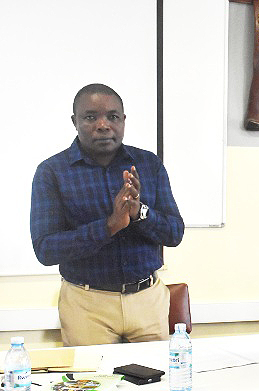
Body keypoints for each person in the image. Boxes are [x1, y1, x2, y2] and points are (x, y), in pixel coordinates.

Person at [30, 83, 184, 346]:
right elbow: (46, 250)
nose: (103, 125)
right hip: (87, 304)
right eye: (90, 117)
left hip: (147, 298)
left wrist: (139, 213)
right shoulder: (52, 172)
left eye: (113, 116)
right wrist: (109, 226)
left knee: (155, 383)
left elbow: (174, 233)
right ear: (74, 121)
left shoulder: (149, 164)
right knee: (94, 384)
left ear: (123, 121)